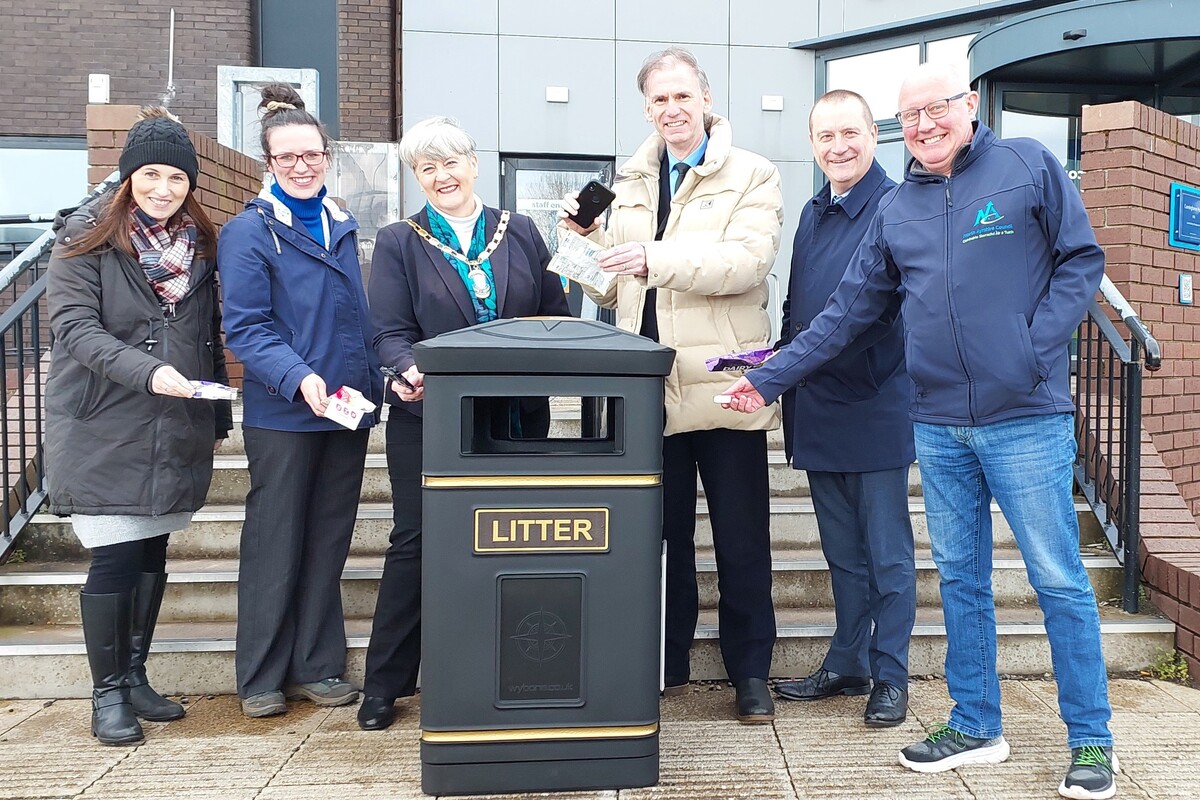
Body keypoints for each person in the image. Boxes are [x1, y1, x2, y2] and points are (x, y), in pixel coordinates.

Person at [722, 62, 1117, 799]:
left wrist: (1035, 347)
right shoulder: (896, 210)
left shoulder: (1027, 166)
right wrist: (767, 377)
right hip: (937, 424)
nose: (925, 126)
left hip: (1025, 418)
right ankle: (975, 724)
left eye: (936, 109)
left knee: (1059, 580)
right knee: (962, 580)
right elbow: (842, 315)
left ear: (968, 105)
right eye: (909, 117)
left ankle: (1092, 739)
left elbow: (1080, 260)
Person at [560, 47, 782, 724]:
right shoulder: (627, 184)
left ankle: (750, 674)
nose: (672, 110)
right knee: (663, 539)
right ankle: (668, 660)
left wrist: (653, 257)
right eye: (659, 100)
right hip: (649, 392)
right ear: (646, 108)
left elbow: (747, 263)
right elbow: (605, 282)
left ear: (706, 99)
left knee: (743, 539)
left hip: (721, 386)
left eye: (683, 96)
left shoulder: (752, 173)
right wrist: (579, 241)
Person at [360, 116, 570, 731]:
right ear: (416, 177)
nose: (441, 176)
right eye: (427, 168)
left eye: (451, 163)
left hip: (514, 416)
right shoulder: (402, 240)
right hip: (428, 415)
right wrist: (404, 369)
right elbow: (389, 331)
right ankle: (385, 685)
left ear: (474, 164)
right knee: (418, 542)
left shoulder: (522, 230)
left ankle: (504, 669)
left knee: (512, 538)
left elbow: (553, 315)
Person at [45, 107, 232, 745]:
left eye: (177, 178)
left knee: (154, 549)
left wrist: (218, 408)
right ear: (128, 178)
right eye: (151, 174)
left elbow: (206, 334)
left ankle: (135, 675)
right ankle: (106, 694)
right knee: (117, 555)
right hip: (105, 422)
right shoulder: (83, 240)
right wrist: (147, 372)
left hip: (175, 421)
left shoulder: (201, 245)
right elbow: (74, 329)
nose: (164, 188)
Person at [219, 84, 383, 719]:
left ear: (327, 155)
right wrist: (298, 378)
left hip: (344, 411)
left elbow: (354, 317)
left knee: (328, 541)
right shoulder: (248, 232)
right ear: (269, 163)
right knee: (275, 542)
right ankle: (260, 675)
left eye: (310, 154)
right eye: (286, 158)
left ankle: (318, 665)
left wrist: (378, 379)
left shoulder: (342, 223)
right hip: (286, 413)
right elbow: (247, 330)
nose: (301, 166)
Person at [768, 90, 917, 728]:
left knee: (887, 555)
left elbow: (867, 315)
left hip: (873, 402)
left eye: (849, 133)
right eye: (825, 136)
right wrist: (773, 354)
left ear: (873, 135)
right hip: (818, 408)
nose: (839, 147)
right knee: (841, 554)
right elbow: (803, 307)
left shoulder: (895, 205)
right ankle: (847, 661)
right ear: (812, 144)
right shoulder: (812, 212)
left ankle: (891, 674)